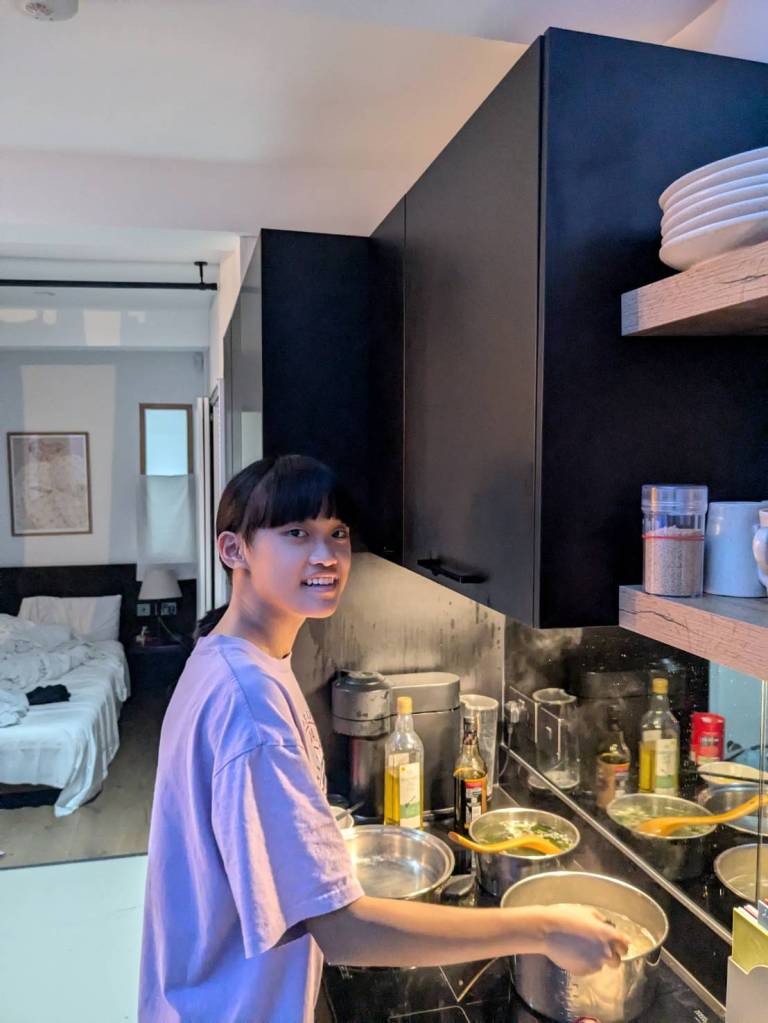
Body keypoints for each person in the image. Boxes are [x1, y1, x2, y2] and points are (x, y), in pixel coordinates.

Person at [139, 454, 628, 1022]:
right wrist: (544, 929)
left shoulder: (231, 658)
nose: (326, 556)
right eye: (296, 533)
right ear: (234, 550)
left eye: (337, 533)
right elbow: (344, 930)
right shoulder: (251, 704)